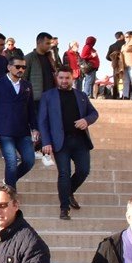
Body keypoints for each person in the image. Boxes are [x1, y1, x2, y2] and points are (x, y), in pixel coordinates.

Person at [38, 66, 99, 220]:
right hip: (60, 142)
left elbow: (94, 113)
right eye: (61, 78)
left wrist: (86, 120)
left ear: (72, 78)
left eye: (67, 78)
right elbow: (43, 121)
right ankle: (64, 208)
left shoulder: (82, 95)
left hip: (80, 141)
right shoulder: (48, 96)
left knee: (84, 170)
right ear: (56, 78)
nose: (64, 81)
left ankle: (68, 192)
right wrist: (46, 142)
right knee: (64, 174)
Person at [0, 55, 38, 188]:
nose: (21, 69)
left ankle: (8, 182)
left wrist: (35, 127)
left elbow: (31, 109)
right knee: (11, 162)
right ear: (9, 67)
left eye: (23, 67)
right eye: (18, 66)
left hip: (23, 132)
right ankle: (11, 191)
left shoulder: (27, 85)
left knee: (29, 161)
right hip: (4, 131)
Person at [22, 32, 56, 121]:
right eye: (47, 43)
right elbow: (23, 79)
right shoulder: (29, 58)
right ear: (39, 43)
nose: (49, 46)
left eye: (50, 43)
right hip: (36, 99)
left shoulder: (50, 58)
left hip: (51, 97)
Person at [122, 31, 132, 100]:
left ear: (131, 37)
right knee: (125, 81)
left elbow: (127, 49)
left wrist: (124, 48)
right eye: (125, 37)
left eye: (127, 37)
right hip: (124, 65)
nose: (125, 38)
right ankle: (125, 96)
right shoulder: (124, 45)